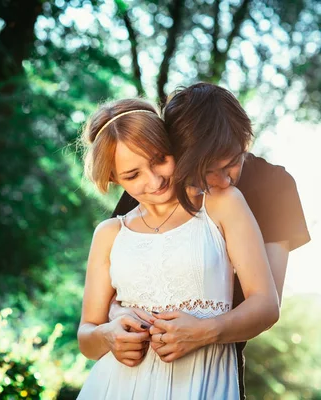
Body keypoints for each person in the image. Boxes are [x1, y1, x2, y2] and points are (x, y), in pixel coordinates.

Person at [108, 83, 310, 399]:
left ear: (246, 138)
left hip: (212, 373)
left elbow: (265, 304)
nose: (223, 181)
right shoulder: (155, 186)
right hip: (132, 375)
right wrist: (117, 318)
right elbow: (113, 283)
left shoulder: (275, 186)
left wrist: (203, 331)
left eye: (231, 161)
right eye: (205, 172)